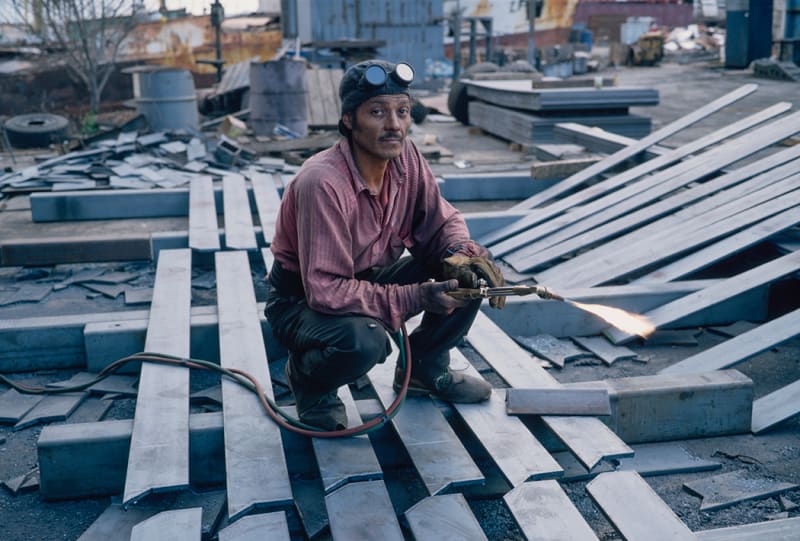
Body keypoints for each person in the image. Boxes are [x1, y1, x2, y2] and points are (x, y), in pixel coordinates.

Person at [265, 59, 506, 431]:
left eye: (402, 111)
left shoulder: (405, 156)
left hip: (366, 278)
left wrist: (463, 254)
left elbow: (439, 222)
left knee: (465, 275)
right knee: (365, 340)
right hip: (303, 302)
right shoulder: (323, 183)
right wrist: (417, 297)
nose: (393, 124)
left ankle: (425, 369)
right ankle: (310, 383)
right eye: (377, 112)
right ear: (348, 120)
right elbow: (326, 291)